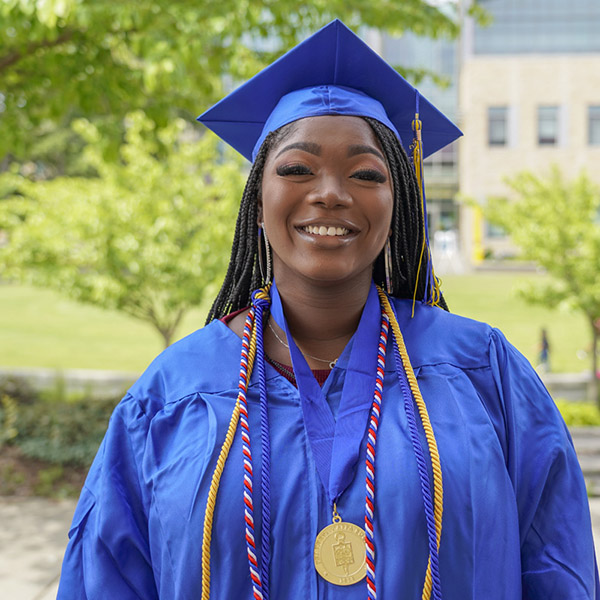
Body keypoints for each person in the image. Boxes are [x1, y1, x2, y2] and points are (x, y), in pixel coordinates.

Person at [57, 20, 598, 599]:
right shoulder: (172, 394)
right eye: (296, 169)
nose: (331, 192)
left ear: (400, 205)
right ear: (257, 205)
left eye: (366, 173)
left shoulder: (485, 373)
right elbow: (107, 579)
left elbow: (557, 568)